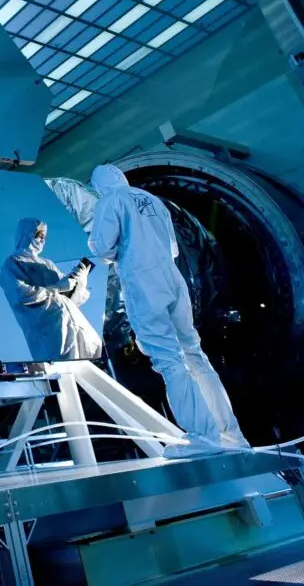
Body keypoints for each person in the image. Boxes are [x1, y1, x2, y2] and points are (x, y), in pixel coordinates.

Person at [88, 164, 249, 455]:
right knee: (195, 356)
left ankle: (203, 436)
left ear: (100, 185)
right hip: (173, 280)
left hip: (143, 282)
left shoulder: (110, 200)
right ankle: (231, 434)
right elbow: (173, 249)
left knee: (169, 360)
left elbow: (101, 249)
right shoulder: (153, 201)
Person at [0, 218, 103, 362]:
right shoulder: (13, 262)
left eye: (45, 237)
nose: (42, 240)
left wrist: (79, 281)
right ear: (26, 233)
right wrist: (57, 287)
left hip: (73, 321)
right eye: (39, 235)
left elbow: (70, 299)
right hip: (50, 329)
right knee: (65, 366)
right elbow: (21, 294)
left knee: (93, 356)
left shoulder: (47, 264)